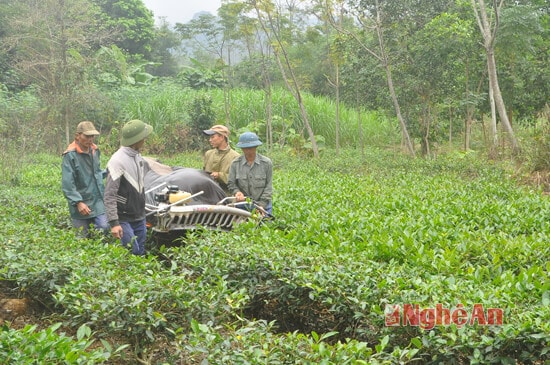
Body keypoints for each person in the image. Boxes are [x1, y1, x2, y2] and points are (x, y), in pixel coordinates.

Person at [104, 119, 153, 255]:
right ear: (137, 140)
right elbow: (109, 195)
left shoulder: (137, 156)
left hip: (139, 216)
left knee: (141, 251)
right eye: (144, 137)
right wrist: (114, 223)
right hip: (123, 218)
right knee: (133, 251)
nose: (145, 140)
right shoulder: (117, 161)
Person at [62, 121, 109, 237]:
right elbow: (68, 184)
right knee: (82, 237)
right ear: (78, 136)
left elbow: (96, 173)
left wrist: (108, 172)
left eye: (92, 136)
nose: (90, 139)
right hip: (81, 202)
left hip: (97, 200)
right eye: (87, 136)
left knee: (104, 227)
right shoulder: (70, 155)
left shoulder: (95, 151)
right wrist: (78, 202)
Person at [227, 132, 273, 216]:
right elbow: (231, 184)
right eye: (245, 148)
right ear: (241, 148)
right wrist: (237, 192)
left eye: (251, 147)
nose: (248, 150)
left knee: (265, 224)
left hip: (263, 203)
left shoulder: (266, 163)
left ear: (256, 147)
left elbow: (268, 187)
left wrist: (261, 206)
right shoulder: (235, 163)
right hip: (242, 204)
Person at [202, 124, 240, 192]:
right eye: (210, 137)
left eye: (213, 137)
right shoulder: (208, 154)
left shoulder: (235, 157)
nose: (210, 140)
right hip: (208, 193)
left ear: (222, 137)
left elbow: (238, 180)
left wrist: (220, 176)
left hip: (225, 195)